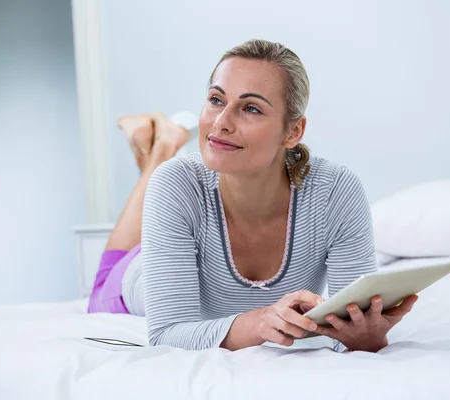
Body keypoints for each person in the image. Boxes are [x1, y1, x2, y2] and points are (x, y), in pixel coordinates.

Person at [88, 39, 418, 352]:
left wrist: (366, 336)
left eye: (251, 108)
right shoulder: (176, 183)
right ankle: (160, 148)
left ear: (293, 131)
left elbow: (349, 327)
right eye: (216, 99)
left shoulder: (335, 192)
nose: (220, 122)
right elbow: (167, 333)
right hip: (134, 277)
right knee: (102, 284)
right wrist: (261, 321)